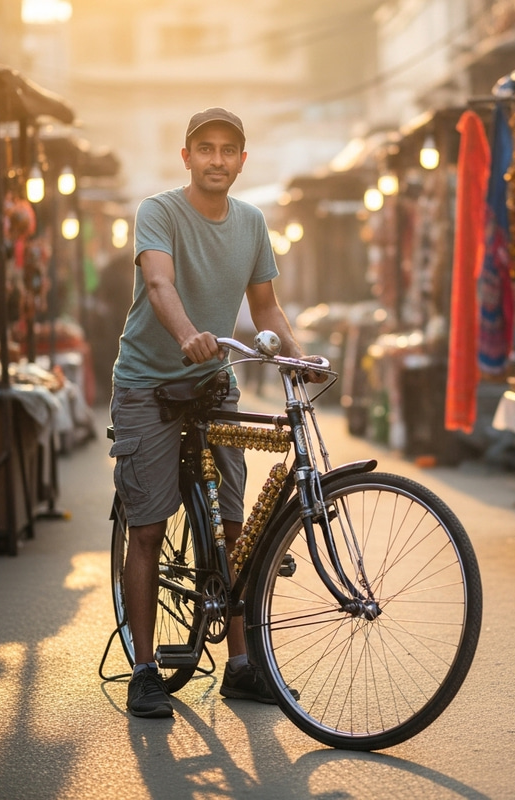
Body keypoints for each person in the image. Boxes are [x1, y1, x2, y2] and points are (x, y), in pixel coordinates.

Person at [109, 107, 325, 718]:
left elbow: (267, 309)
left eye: (229, 151)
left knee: (239, 524)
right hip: (148, 384)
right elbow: (158, 285)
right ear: (186, 157)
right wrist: (186, 335)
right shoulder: (158, 211)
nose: (217, 160)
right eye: (205, 149)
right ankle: (145, 671)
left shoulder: (253, 223)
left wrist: (297, 356)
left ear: (242, 161)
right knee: (148, 526)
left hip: (213, 381)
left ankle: (240, 664)